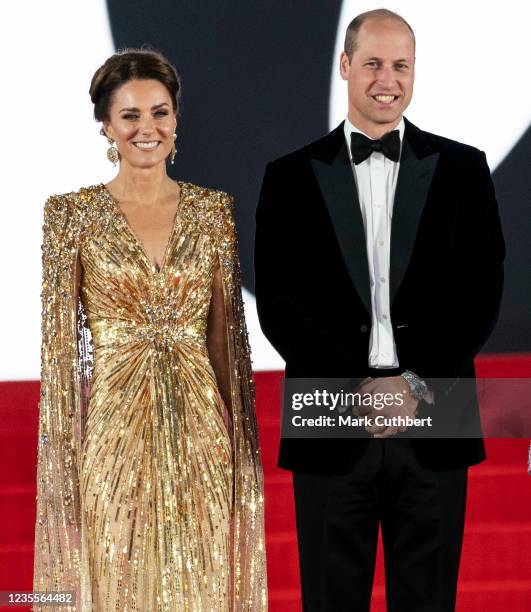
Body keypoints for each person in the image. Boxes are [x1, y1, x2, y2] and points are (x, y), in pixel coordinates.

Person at [255, 9, 504, 612]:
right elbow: (281, 306)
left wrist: (409, 385)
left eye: (400, 65)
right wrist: (360, 388)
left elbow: (479, 296)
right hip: (331, 418)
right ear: (345, 67)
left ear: (414, 72)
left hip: (435, 417)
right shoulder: (289, 177)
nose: (386, 79)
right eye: (372, 63)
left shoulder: (465, 168)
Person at [33, 48, 267, 611]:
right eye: (131, 115)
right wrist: (66, 450)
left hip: (201, 427)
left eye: (160, 113)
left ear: (176, 120)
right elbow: (60, 354)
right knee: (118, 578)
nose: (148, 128)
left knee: (202, 576)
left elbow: (222, 338)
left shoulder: (214, 212)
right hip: (113, 428)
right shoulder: (71, 215)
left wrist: (240, 445)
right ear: (106, 126)